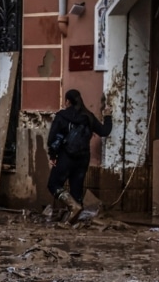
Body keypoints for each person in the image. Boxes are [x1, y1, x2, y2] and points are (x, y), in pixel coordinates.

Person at [46, 89, 113, 222]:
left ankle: (73, 206)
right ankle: (73, 220)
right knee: (76, 190)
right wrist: (107, 116)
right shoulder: (88, 117)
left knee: (53, 184)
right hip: (83, 159)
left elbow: (52, 139)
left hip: (66, 157)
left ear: (67, 101)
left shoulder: (62, 116)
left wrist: (53, 156)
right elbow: (104, 131)